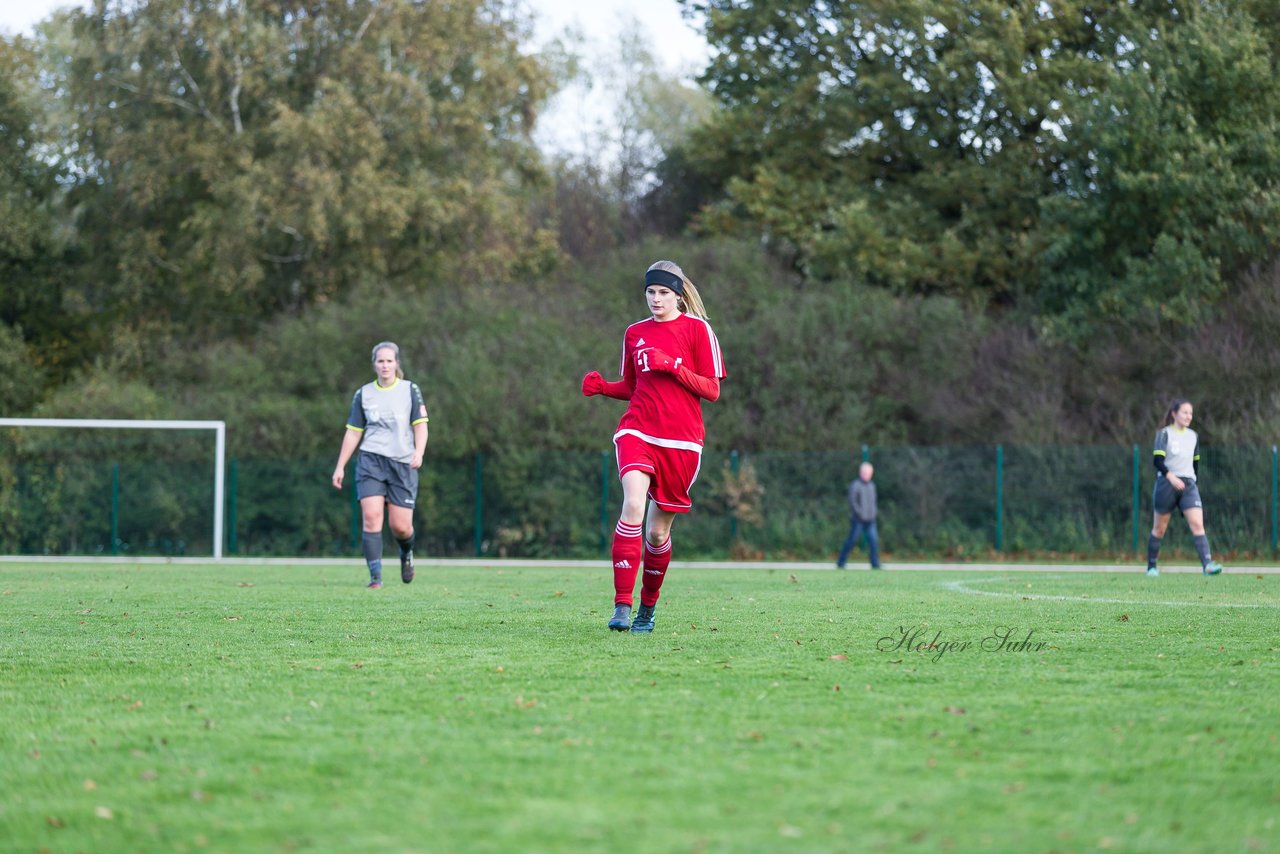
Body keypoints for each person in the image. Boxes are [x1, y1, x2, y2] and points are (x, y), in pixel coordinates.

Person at [581, 260, 726, 633]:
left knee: (657, 534)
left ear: (678, 294)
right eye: (650, 292)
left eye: (663, 292)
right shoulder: (634, 333)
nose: (656, 299)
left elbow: (712, 390)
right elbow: (633, 385)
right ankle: (622, 607)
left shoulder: (698, 331)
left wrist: (674, 365)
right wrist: (604, 389)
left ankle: (647, 607)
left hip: (681, 441)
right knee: (632, 503)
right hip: (638, 429)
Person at [332, 342, 429, 588]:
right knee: (372, 517)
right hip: (371, 460)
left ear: (397, 363)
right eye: (380, 361)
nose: (385, 366)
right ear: (374, 364)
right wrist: (340, 466)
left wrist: (419, 452)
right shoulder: (363, 394)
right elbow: (353, 432)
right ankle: (375, 578)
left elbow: (420, 425)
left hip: (402, 462)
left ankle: (406, 553)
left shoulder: (410, 390)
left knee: (401, 527)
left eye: (389, 361)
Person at [1146, 398, 1223, 577]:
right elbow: (1157, 461)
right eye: (1185, 412)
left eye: (1191, 413)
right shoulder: (1164, 434)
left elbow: (1196, 463)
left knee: (1197, 524)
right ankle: (1151, 567)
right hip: (1167, 483)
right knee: (1159, 529)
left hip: (1188, 485)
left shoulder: (1193, 436)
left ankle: (1207, 565)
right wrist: (1171, 477)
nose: (1188, 416)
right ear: (1174, 413)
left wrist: (1193, 482)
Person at [836, 461, 881, 569]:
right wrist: (859, 513)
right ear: (861, 473)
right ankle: (841, 562)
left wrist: (874, 513)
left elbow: (873, 502)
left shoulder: (872, 486)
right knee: (851, 540)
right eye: (866, 473)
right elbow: (852, 501)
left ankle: (875, 563)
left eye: (870, 473)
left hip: (870, 519)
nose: (868, 475)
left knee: (873, 541)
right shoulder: (855, 485)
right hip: (858, 519)